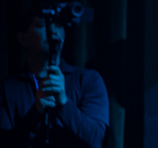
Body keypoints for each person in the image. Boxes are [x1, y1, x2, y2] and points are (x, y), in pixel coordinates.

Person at [0, 10, 109, 147]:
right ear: (23, 38)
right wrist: (36, 112)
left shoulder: (88, 79)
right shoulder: (6, 87)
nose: (53, 31)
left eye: (58, 24)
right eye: (43, 25)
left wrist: (64, 103)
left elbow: (95, 139)